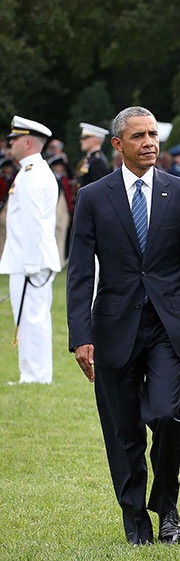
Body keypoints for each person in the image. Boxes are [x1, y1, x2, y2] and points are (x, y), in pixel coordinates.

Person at [66, 106, 180, 546]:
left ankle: (167, 505)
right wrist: (81, 337)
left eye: (153, 134)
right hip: (113, 328)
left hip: (169, 328)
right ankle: (135, 519)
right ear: (117, 145)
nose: (149, 142)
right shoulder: (93, 196)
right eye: (138, 136)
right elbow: (78, 273)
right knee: (123, 429)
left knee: (165, 415)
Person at [0, 116, 60, 385]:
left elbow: (35, 223)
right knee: (29, 319)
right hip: (27, 260)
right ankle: (32, 374)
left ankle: (36, 376)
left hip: (30, 263)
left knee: (32, 319)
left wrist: (31, 266)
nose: (9, 144)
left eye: (13, 139)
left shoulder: (33, 174)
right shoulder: (30, 171)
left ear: (26, 142)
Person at [77, 122, 112, 188]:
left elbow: (99, 188)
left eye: (84, 138)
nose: (81, 141)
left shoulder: (98, 161)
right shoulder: (90, 158)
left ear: (95, 140)